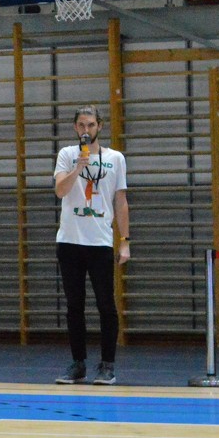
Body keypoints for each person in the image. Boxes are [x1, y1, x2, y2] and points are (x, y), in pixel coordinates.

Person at [53, 105, 130, 386]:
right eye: (82, 125)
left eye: (91, 125)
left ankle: (107, 365)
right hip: (70, 241)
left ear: (100, 126)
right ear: (76, 128)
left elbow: (120, 201)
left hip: (100, 242)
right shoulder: (67, 155)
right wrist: (78, 167)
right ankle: (78, 363)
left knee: (105, 305)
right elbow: (60, 190)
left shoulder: (115, 158)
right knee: (74, 305)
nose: (86, 130)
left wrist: (124, 241)